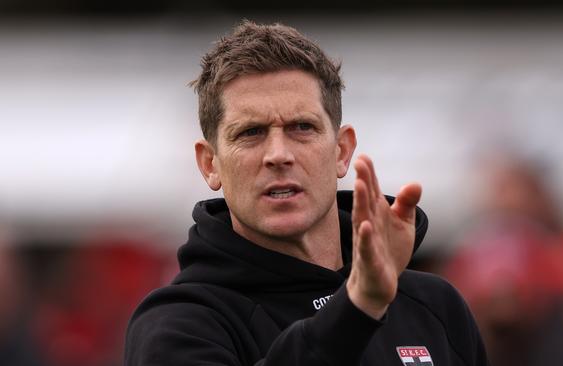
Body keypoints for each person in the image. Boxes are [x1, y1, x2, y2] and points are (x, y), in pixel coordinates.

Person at [125, 21, 488, 366]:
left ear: (342, 151)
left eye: (302, 127)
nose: (279, 155)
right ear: (210, 164)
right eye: (250, 132)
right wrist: (359, 306)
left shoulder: (436, 307)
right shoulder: (178, 324)